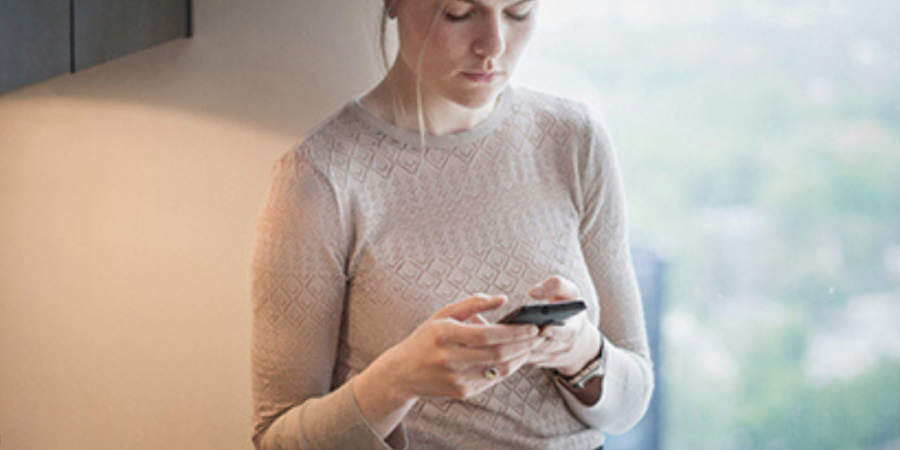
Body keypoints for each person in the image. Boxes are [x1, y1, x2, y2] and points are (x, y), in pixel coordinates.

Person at [250, 0, 654, 448]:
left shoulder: (575, 139)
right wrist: (397, 380)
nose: (493, 46)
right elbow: (276, 438)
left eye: (518, 12)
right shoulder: (321, 178)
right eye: (459, 12)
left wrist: (580, 353)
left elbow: (632, 403)